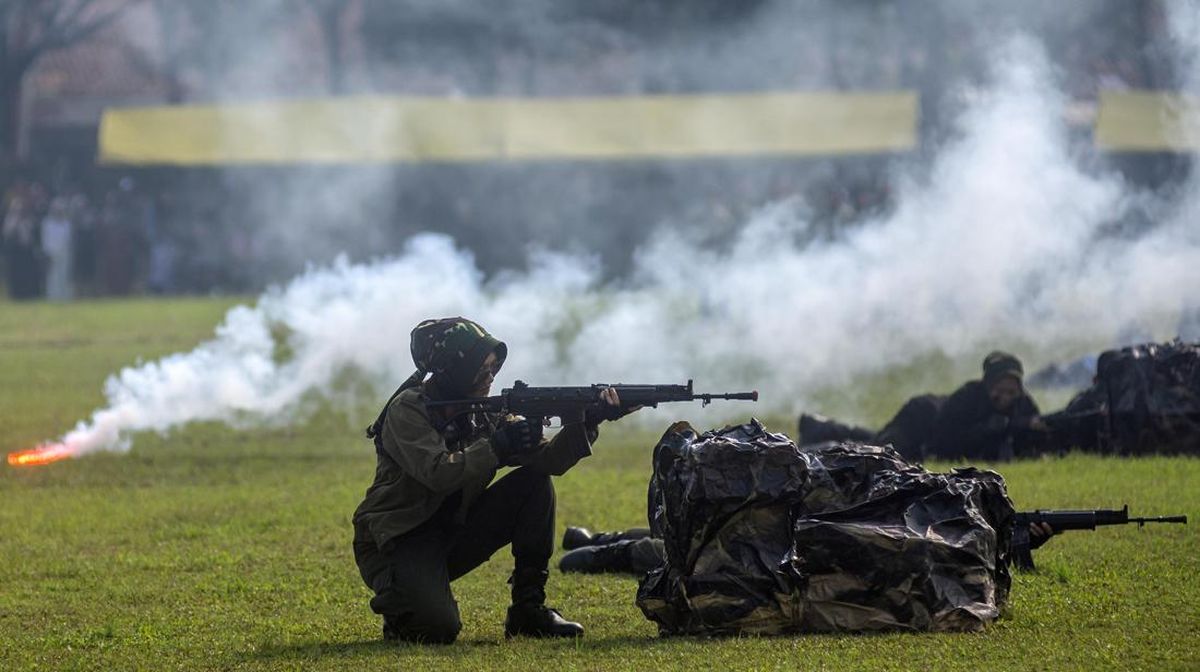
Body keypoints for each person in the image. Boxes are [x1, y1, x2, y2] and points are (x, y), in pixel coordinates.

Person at [351, 317, 633, 644]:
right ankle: (402, 605)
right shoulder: (408, 410)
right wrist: (497, 446)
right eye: (480, 369)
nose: (490, 377)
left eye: (493, 368)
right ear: (454, 371)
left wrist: (588, 421)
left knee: (533, 484)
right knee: (436, 629)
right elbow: (437, 473)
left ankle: (528, 609)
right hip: (397, 541)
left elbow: (549, 461)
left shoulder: (483, 412)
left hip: (450, 530)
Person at [799, 351, 1048, 461]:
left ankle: (820, 426)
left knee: (875, 440)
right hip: (919, 421)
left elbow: (1033, 434)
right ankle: (813, 449)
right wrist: (992, 428)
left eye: (1011, 390)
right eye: (999, 389)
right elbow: (945, 442)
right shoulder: (968, 396)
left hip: (927, 431)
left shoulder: (1023, 404)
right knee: (875, 452)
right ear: (988, 385)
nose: (1005, 396)